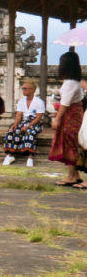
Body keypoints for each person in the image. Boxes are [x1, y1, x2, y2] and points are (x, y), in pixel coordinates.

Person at [50, 52, 84, 188]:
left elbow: (65, 103)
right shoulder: (74, 82)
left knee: (71, 144)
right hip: (74, 114)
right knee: (73, 143)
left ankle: (71, 176)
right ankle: (75, 175)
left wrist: (57, 119)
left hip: (70, 116)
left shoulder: (70, 83)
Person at [2, 80, 45, 167]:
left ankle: (30, 157)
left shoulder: (39, 102)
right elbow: (18, 115)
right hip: (24, 122)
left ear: (32, 90)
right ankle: (10, 155)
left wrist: (28, 126)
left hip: (35, 123)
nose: (23, 90)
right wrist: (15, 124)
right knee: (12, 131)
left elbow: (38, 117)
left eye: (25, 88)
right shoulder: (21, 101)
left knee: (30, 132)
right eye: (23, 88)